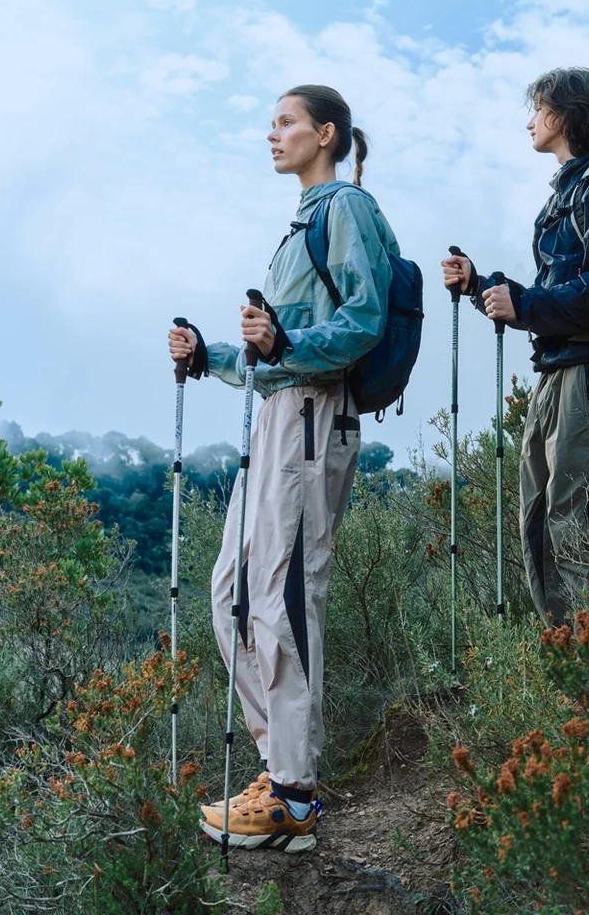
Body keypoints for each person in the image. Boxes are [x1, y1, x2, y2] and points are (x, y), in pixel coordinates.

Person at [168, 84, 396, 852]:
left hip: (312, 414)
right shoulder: (300, 223)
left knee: (283, 596)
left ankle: (295, 799)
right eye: (271, 124)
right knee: (231, 592)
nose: (273, 135)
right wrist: (208, 356)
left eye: (286, 123)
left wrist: (285, 344)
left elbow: (363, 321)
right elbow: (273, 348)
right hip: (275, 412)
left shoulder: (345, 208)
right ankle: (278, 769)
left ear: (324, 134)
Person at [442, 67, 589, 627]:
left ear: (562, 114)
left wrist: (527, 305)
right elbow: (560, 293)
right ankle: (569, 655)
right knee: (540, 519)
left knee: (580, 522)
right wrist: (484, 288)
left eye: (537, 110)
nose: (530, 122)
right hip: (560, 370)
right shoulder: (573, 186)